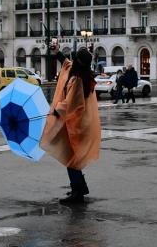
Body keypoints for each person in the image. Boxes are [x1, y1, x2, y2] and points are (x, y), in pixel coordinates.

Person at [41, 45, 101, 204]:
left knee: (71, 158)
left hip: (76, 125)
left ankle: (77, 193)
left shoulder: (77, 80)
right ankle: (80, 187)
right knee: (74, 157)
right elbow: (66, 64)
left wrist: (56, 110)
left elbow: (72, 103)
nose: (71, 61)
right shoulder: (82, 75)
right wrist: (57, 53)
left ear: (78, 63)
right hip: (80, 123)